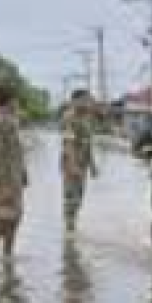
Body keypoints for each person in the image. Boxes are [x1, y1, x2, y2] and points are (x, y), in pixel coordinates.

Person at [0, 85, 28, 257]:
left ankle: (7, 253)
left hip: (14, 176)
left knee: (16, 215)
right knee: (3, 216)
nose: (17, 104)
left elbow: (17, 150)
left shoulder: (12, 121)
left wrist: (23, 172)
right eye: (16, 100)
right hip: (3, 179)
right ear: (9, 101)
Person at [61, 90, 96, 233]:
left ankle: (72, 227)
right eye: (85, 100)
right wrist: (73, 166)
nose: (88, 103)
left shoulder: (86, 118)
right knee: (71, 198)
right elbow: (68, 143)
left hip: (82, 164)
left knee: (79, 198)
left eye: (89, 101)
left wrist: (92, 165)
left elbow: (88, 143)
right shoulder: (69, 117)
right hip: (71, 164)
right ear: (76, 101)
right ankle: (69, 231)